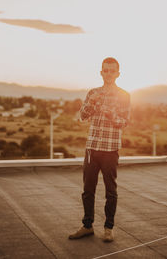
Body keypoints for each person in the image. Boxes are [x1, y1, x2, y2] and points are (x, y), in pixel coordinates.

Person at [68, 57, 130, 242]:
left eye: (112, 71)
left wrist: (112, 115)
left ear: (118, 74)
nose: (109, 74)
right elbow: (82, 116)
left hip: (110, 149)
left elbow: (124, 122)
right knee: (88, 190)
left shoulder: (124, 95)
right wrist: (91, 104)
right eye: (106, 70)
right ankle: (87, 226)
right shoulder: (93, 92)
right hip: (92, 149)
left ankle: (108, 228)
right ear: (101, 72)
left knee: (111, 191)